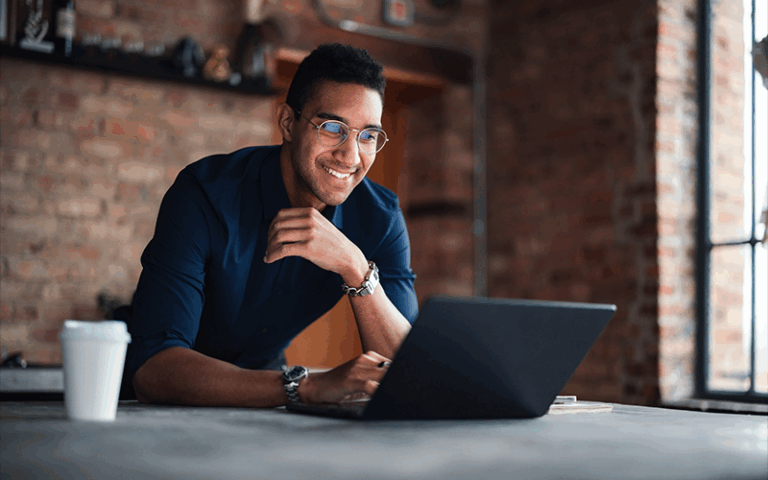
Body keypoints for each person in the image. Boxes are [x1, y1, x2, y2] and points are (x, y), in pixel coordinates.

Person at [120, 43, 418, 407]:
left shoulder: (380, 218)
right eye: (332, 127)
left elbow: (413, 371)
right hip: (168, 397)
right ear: (288, 123)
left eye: (368, 135)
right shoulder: (205, 195)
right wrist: (304, 386)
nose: (351, 156)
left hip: (267, 391)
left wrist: (355, 267)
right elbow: (153, 368)